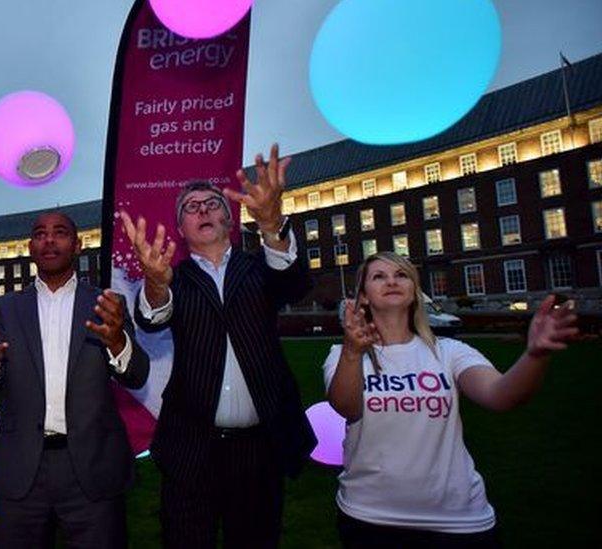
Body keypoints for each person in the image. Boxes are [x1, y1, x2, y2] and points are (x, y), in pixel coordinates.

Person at [120, 143, 317, 548]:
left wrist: (272, 226)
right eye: (191, 207)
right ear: (181, 229)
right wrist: (155, 283)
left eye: (212, 203)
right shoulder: (171, 277)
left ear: (229, 218)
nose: (204, 210)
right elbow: (150, 317)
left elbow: (295, 283)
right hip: (191, 449)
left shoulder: (261, 268)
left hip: (260, 449)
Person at [324, 251, 580, 548]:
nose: (392, 281)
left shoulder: (449, 352)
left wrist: (534, 355)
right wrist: (353, 353)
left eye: (402, 275)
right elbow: (347, 406)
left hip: (458, 520)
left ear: (414, 291)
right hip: (370, 517)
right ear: (364, 297)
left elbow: (500, 396)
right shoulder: (341, 356)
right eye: (379, 276)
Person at [0, 212, 149, 549]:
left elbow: (137, 375)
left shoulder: (107, 305)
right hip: (20, 469)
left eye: (60, 232)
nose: (49, 240)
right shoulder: (4, 308)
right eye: (40, 234)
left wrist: (118, 341)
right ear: (31, 248)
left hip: (92, 469)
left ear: (78, 245)